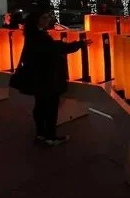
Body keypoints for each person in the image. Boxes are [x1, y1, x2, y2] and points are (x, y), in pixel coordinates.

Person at [21, 10, 92, 146]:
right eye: (45, 17)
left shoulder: (32, 35)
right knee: (50, 107)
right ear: (38, 20)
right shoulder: (41, 37)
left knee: (40, 105)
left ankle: (41, 133)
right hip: (47, 77)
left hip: (38, 76)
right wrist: (79, 44)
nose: (48, 19)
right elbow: (57, 48)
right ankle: (50, 137)